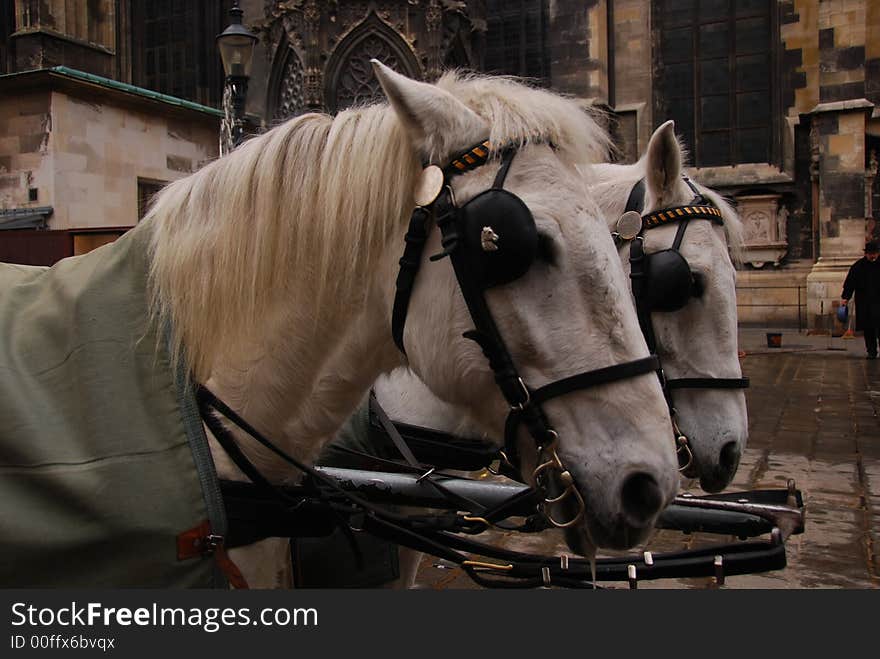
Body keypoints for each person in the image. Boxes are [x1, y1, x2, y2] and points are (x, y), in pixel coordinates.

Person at [842, 240, 880, 359]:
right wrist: (845, 298)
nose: (872, 256)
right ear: (866, 254)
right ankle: (871, 351)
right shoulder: (858, 266)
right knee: (868, 329)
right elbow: (850, 283)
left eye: (874, 254)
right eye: (870, 254)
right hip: (865, 303)